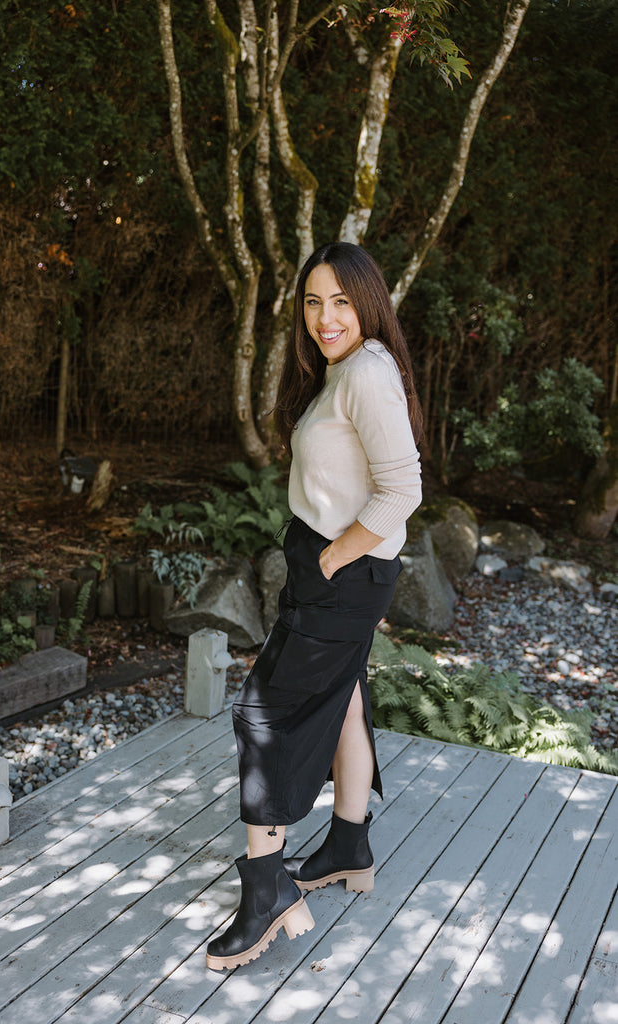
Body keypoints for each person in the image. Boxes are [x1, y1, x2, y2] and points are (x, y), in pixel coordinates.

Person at [206, 242, 423, 971]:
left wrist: (333, 556)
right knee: (345, 703)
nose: (325, 317)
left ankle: (266, 892)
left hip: (341, 569)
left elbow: (403, 492)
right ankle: (347, 845)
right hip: (330, 563)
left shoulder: (364, 373)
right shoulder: (349, 368)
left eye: (340, 301)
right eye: (312, 302)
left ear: (367, 303)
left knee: (263, 717)